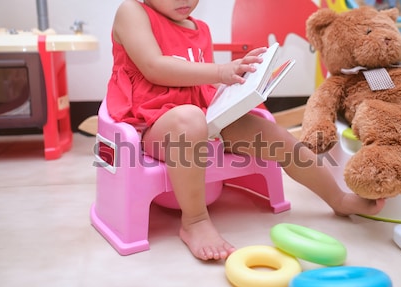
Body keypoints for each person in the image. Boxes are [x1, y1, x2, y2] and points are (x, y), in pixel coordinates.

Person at [107, 0, 386, 261]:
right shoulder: (133, 12)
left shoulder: (199, 27)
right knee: (189, 119)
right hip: (153, 125)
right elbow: (154, 68)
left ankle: (337, 198)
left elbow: (202, 85)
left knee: (272, 134)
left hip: (203, 118)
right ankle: (194, 221)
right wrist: (219, 71)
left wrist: (240, 89)